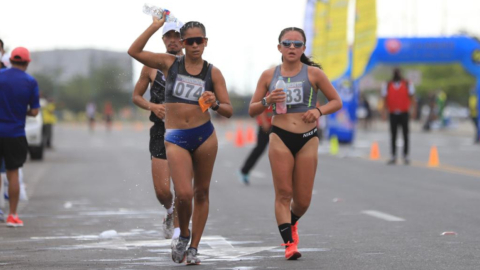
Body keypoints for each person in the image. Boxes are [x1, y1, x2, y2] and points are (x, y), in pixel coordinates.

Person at [128, 15, 233, 265]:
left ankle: (194, 247)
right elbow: (134, 51)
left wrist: (215, 103)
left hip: (205, 136)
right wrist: (155, 26)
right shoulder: (168, 64)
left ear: (205, 42)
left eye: (199, 41)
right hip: (175, 137)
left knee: (202, 193)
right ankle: (183, 234)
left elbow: (229, 110)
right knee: (183, 194)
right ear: (183, 43)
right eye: (190, 41)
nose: (195, 45)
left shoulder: (212, 72)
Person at [248, 27, 342, 260]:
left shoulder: (314, 74)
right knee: (283, 193)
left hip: (307, 138)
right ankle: (290, 244)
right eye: (287, 43)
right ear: (279, 47)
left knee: (302, 200)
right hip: (279, 135)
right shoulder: (269, 76)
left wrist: (318, 111)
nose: (292, 47)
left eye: (297, 44)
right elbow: (252, 109)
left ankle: (293, 222)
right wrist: (267, 100)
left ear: (303, 48)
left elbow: (336, 101)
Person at [132, 21, 185, 240]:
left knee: (183, 190)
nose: (172, 39)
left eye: (176, 35)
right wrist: (152, 106)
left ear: (184, 38)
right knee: (163, 191)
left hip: (185, 131)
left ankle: (180, 236)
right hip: (160, 131)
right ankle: (170, 212)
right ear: (163, 39)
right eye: (168, 36)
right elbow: (136, 96)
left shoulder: (194, 65)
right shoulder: (151, 66)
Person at [0, 47, 41, 227]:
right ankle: (12, 215)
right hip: (15, 133)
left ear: (11, 60)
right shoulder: (30, 82)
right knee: (13, 173)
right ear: (26, 62)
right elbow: (34, 111)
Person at [381, 68, 416, 165]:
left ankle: (405, 155)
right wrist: (383, 112)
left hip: (404, 113)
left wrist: (414, 111)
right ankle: (393, 155)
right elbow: (384, 99)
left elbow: (412, 98)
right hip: (393, 113)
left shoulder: (407, 84)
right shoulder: (388, 85)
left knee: (405, 134)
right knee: (393, 135)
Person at [239, 95, 273, 185]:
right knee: (259, 149)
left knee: (281, 151)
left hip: (279, 124)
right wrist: (264, 122)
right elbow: (259, 105)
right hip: (265, 126)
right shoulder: (266, 86)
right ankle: (245, 170)